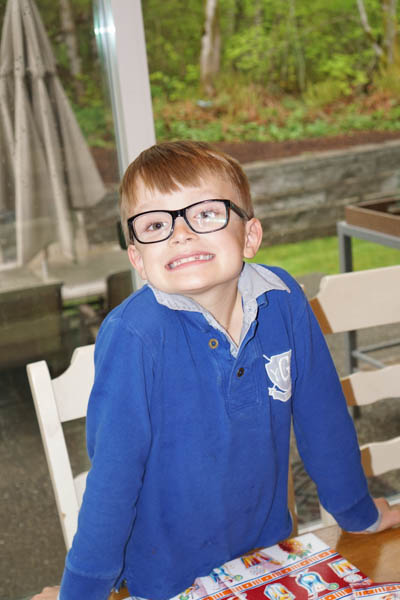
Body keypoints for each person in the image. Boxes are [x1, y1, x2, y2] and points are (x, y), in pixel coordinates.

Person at [33, 141, 400, 600]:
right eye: (155, 225)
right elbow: (113, 479)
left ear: (250, 235)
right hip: (165, 583)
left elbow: (322, 417)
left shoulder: (283, 299)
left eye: (206, 214)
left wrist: (358, 513)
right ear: (138, 258)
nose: (181, 234)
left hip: (267, 562)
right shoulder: (133, 336)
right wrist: (80, 593)